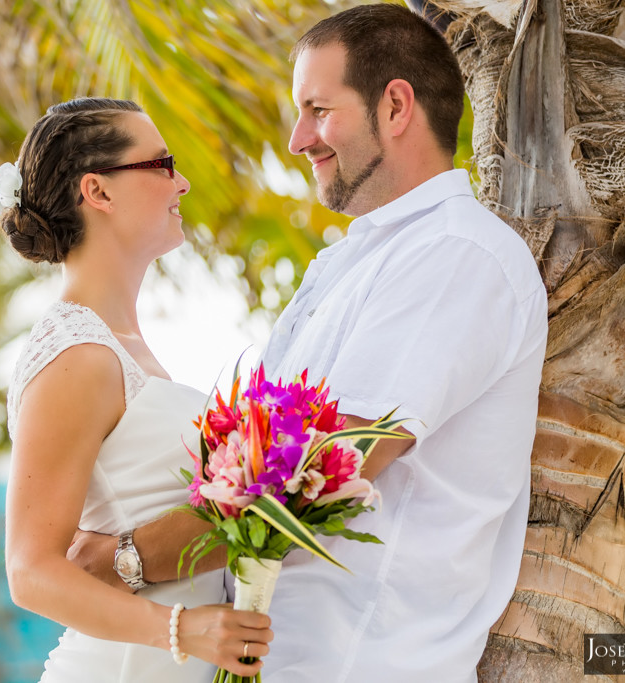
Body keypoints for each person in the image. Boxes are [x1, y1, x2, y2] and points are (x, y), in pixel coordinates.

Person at [70, 4, 547, 681]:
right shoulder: (350, 262)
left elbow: (323, 468)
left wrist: (128, 559)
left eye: (318, 109)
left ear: (397, 106)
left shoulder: (459, 255)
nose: (298, 138)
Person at [0, 97, 272, 683]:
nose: (184, 181)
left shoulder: (117, 345)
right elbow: (30, 571)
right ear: (98, 191)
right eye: (162, 164)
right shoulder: (75, 355)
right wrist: (182, 629)